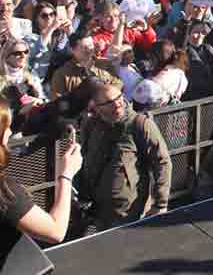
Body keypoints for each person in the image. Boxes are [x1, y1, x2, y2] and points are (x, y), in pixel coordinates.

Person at [79, 83, 171, 230]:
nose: (117, 104)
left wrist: (160, 203)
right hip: (99, 210)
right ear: (97, 107)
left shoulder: (140, 124)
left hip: (130, 212)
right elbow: (85, 160)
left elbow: (162, 162)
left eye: (119, 97)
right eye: (109, 102)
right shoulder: (91, 126)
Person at [0, 100, 83, 251]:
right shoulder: (5, 191)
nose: (10, 132)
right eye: (6, 127)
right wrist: (66, 175)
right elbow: (55, 231)